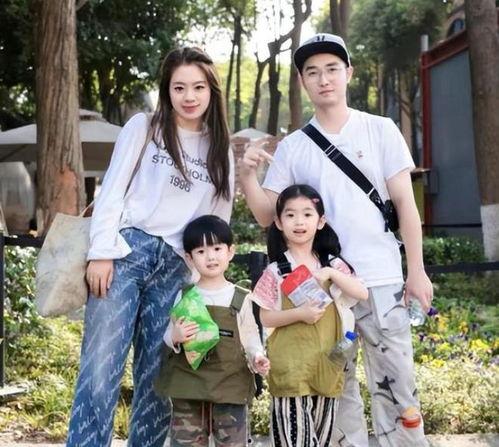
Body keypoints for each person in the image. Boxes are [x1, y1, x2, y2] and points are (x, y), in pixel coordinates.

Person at [239, 34, 433, 447]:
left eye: (332, 69)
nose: (323, 79)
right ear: (302, 81)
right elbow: (267, 214)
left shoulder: (380, 129)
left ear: (349, 73)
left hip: (380, 279)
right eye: (312, 72)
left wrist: (416, 271)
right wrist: (247, 176)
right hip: (320, 291)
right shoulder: (293, 147)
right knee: (334, 391)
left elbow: (406, 205)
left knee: (399, 389)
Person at [66, 47, 234, 447]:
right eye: (179, 87)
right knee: (100, 369)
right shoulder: (145, 127)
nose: (189, 96)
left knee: (159, 378)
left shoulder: (219, 148)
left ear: (211, 91)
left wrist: (202, 281)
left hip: (176, 268)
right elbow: (112, 190)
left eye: (198, 87)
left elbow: (216, 222)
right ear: (167, 90)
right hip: (126, 254)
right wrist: (101, 252)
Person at [250, 184, 368, 447]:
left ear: (321, 221)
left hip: (328, 366)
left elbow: (362, 293)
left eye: (307, 214)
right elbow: (266, 318)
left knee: (322, 441)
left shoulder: (333, 264)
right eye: (290, 215)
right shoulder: (276, 270)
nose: (299, 221)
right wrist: (299, 314)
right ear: (279, 222)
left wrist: (331, 274)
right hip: (291, 369)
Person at [154, 214, 270, 446]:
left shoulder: (240, 297)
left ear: (231, 251)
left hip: (230, 385)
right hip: (189, 386)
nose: (210, 257)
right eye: (201, 251)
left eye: (217, 248)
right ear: (189, 258)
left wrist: (257, 356)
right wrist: (175, 337)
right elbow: (169, 335)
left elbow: (250, 336)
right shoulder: (186, 295)